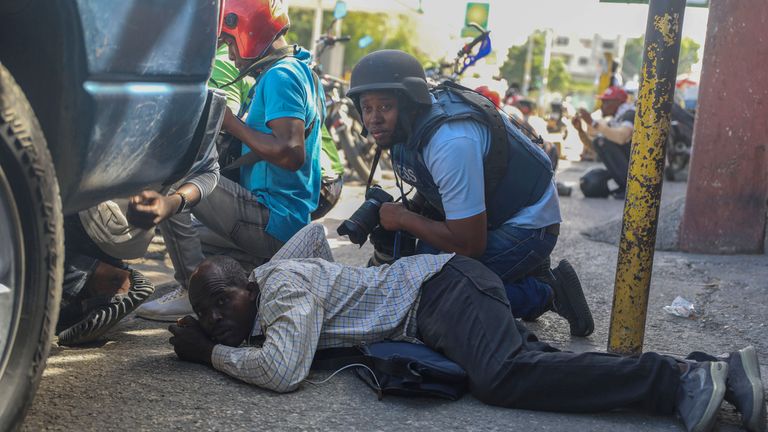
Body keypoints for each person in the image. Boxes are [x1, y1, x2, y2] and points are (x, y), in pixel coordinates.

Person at [167, 223, 766, 432]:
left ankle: (679, 381)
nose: (217, 318)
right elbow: (314, 239)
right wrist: (335, 299)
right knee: (536, 368)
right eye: (208, 313)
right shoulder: (277, 272)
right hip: (442, 297)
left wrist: (208, 353)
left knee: (505, 377)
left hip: (443, 291)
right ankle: (713, 372)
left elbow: (283, 370)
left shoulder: (282, 288)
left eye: (222, 302)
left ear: (251, 283)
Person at [343, 50, 593, 336]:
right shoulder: (406, 129)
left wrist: (403, 220)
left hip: (528, 225)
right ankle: (521, 274)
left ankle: (547, 291)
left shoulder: (450, 142)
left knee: (433, 298)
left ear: (411, 102)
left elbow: (469, 243)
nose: (374, 119)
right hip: (491, 216)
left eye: (385, 107)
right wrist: (410, 215)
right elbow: (432, 186)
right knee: (414, 272)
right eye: (367, 108)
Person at [132, 0, 324, 322]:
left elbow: (290, 154)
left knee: (174, 177)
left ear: (249, 30)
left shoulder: (282, 75)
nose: (229, 53)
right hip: (280, 220)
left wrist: (231, 123)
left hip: (272, 220)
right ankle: (212, 279)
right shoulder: (295, 70)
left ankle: (194, 289)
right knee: (193, 229)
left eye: (229, 41)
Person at [572, 86, 635, 199]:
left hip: (638, 167)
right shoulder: (616, 120)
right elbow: (595, 147)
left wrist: (593, 123)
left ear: (617, 102)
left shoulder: (630, 114)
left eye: (605, 102)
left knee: (602, 141)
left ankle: (629, 188)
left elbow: (621, 137)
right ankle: (625, 186)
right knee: (600, 142)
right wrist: (580, 131)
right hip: (630, 162)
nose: (602, 106)